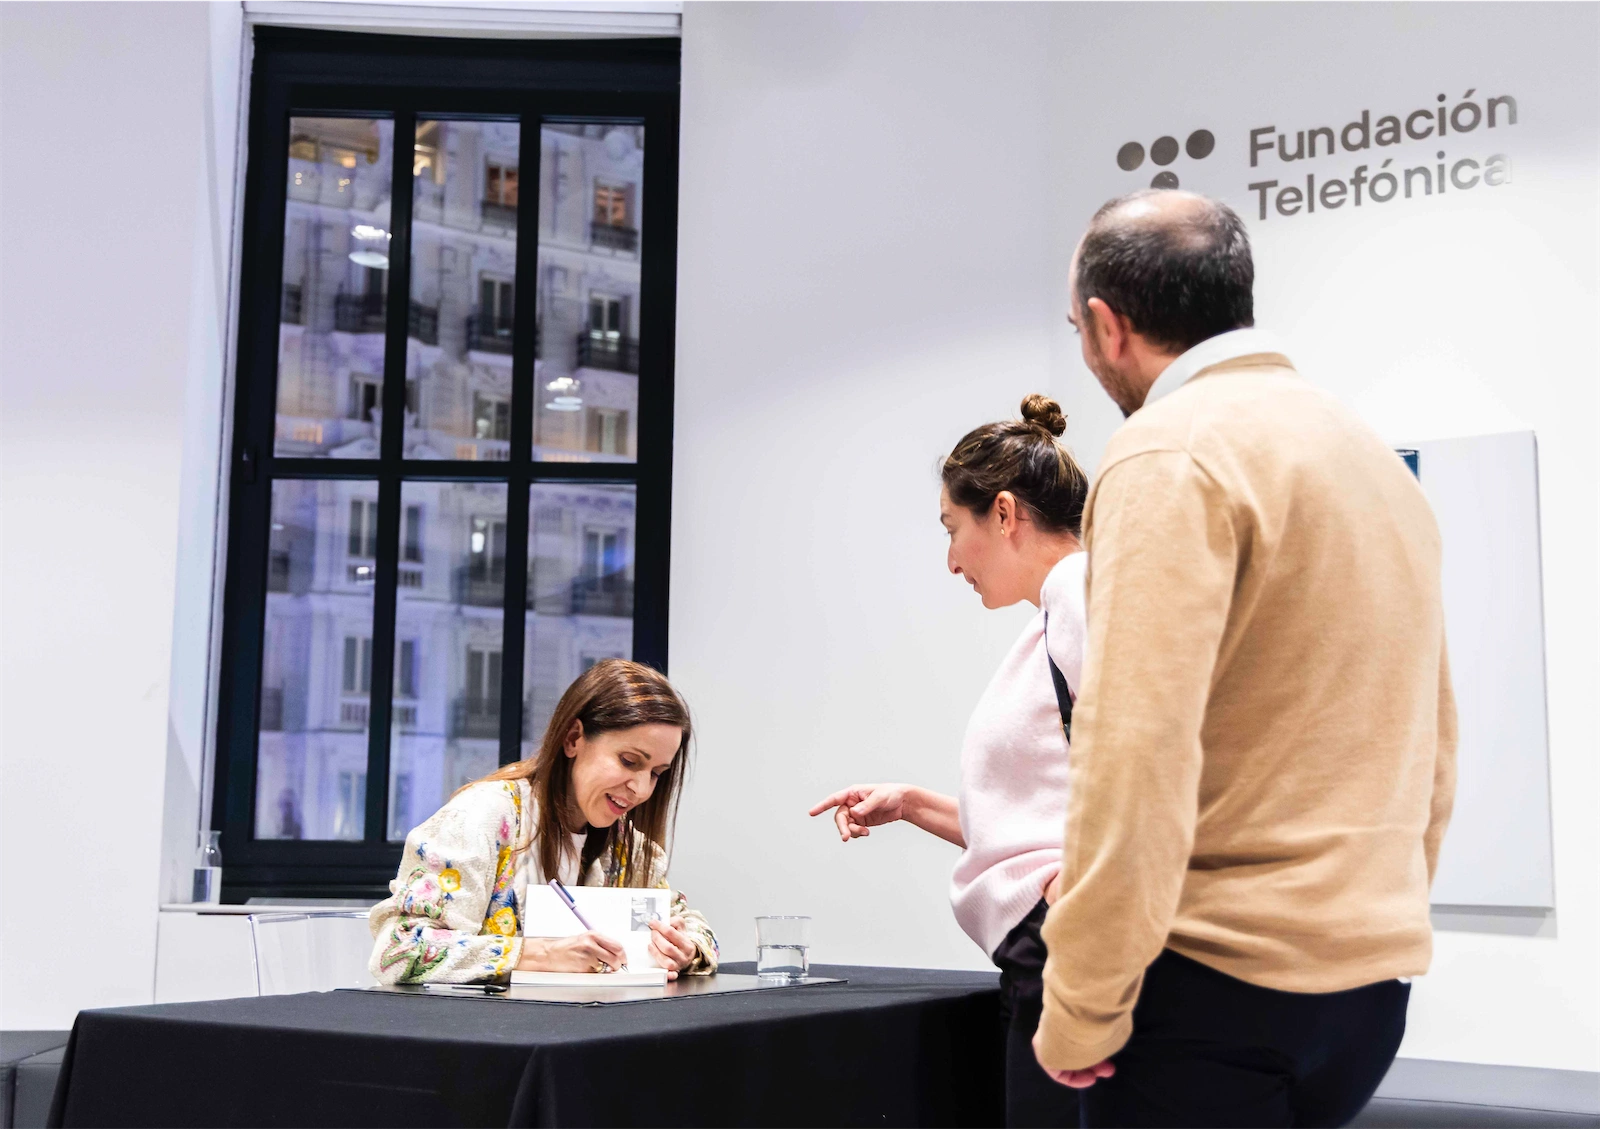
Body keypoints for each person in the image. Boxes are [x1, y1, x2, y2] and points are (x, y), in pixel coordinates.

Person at [1032, 189, 1457, 1129]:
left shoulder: (1166, 451)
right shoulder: (1367, 454)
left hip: (1214, 984)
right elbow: (1434, 741)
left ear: (1108, 324)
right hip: (1366, 991)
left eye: (1077, 329)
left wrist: (1083, 1000)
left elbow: (1134, 753)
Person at [810, 394, 1091, 1128]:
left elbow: (1165, 755)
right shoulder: (1052, 618)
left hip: (1066, 947)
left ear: (1003, 513)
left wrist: (1084, 881)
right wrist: (911, 803)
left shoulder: (1081, 592)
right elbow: (1031, 821)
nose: (950, 560)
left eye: (951, 529)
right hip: (1047, 948)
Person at [369, 659, 719, 983]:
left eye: (656, 773)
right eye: (629, 761)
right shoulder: (481, 817)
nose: (641, 789)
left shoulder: (627, 848)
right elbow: (399, 951)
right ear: (573, 739)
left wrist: (685, 949)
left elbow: (694, 927)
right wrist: (539, 954)